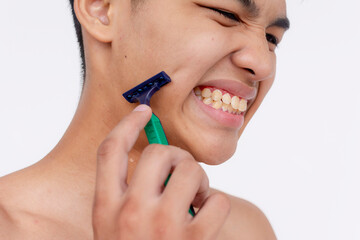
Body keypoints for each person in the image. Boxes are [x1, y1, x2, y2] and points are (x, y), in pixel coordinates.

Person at [0, 0, 290, 239]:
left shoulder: (246, 230)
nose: (263, 64)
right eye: (225, 15)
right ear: (102, 8)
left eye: (271, 38)